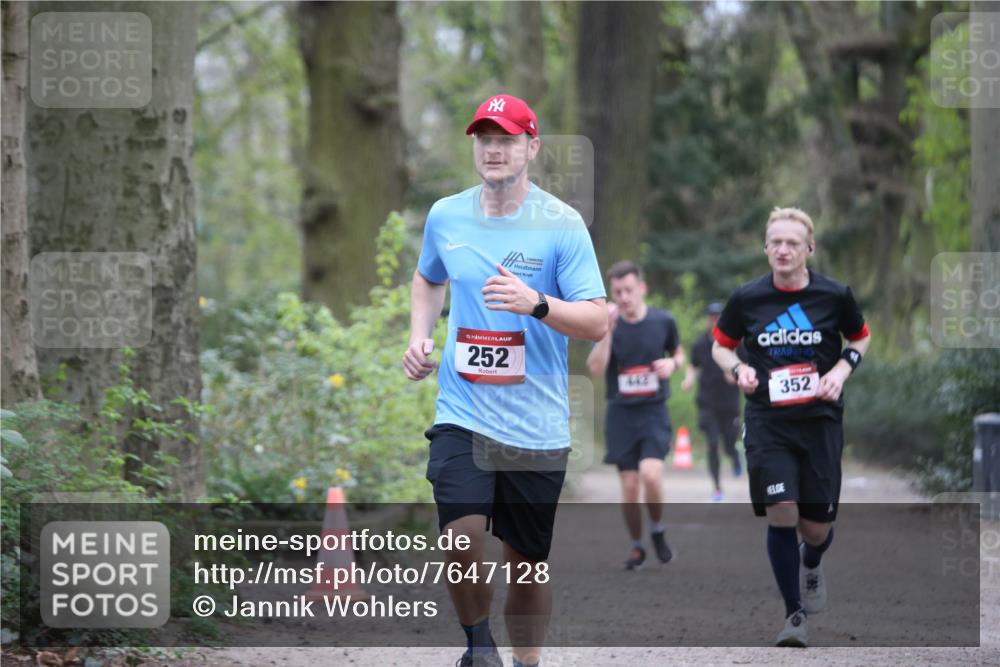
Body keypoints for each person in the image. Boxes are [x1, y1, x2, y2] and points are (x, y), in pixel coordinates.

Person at [403, 93, 607, 667]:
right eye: (484, 139)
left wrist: (537, 303)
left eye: (507, 140)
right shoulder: (446, 215)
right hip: (462, 412)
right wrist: (419, 335)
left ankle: (525, 662)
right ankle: (478, 646)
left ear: (531, 147)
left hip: (535, 426)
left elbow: (597, 320)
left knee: (527, 564)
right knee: (460, 536)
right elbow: (428, 279)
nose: (493, 150)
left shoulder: (561, 225)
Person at [710, 207, 871, 647]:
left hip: (819, 421)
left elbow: (860, 336)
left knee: (816, 529)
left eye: (792, 243)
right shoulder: (748, 298)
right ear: (766, 248)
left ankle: (811, 561)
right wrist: (738, 369)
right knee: (782, 511)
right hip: (768, 421)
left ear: (809, 248)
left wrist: (840, 372)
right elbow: (720, 347)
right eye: (775, 242)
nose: (783, 250)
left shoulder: (834, 296)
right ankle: (793, 615)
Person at [586, 261, 684, 570]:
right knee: (629, 487)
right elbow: (596, 368)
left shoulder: (663, 321)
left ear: (642, 288)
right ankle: (637, 546)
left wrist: (673, 364)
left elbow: (678, 353)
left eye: (629, 290)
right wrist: (607, 331)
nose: (624, 297)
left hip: (653, 411)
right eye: (617, 292)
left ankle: (657, 528)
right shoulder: (607, 325)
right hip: (621, 414)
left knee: (651, 474)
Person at [682, 301, 743, 502]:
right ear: (708, 320)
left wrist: (735, 374)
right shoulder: (700, 344)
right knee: (713, 443)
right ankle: (717, 488)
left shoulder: (736, 343)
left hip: (729, 404)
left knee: (729, 444)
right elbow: (693, 366)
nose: (715, 321)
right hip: (707, 402)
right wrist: (689, 379)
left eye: (718, 317)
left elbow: (745, 368)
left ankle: (734, 456)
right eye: (712, 317)